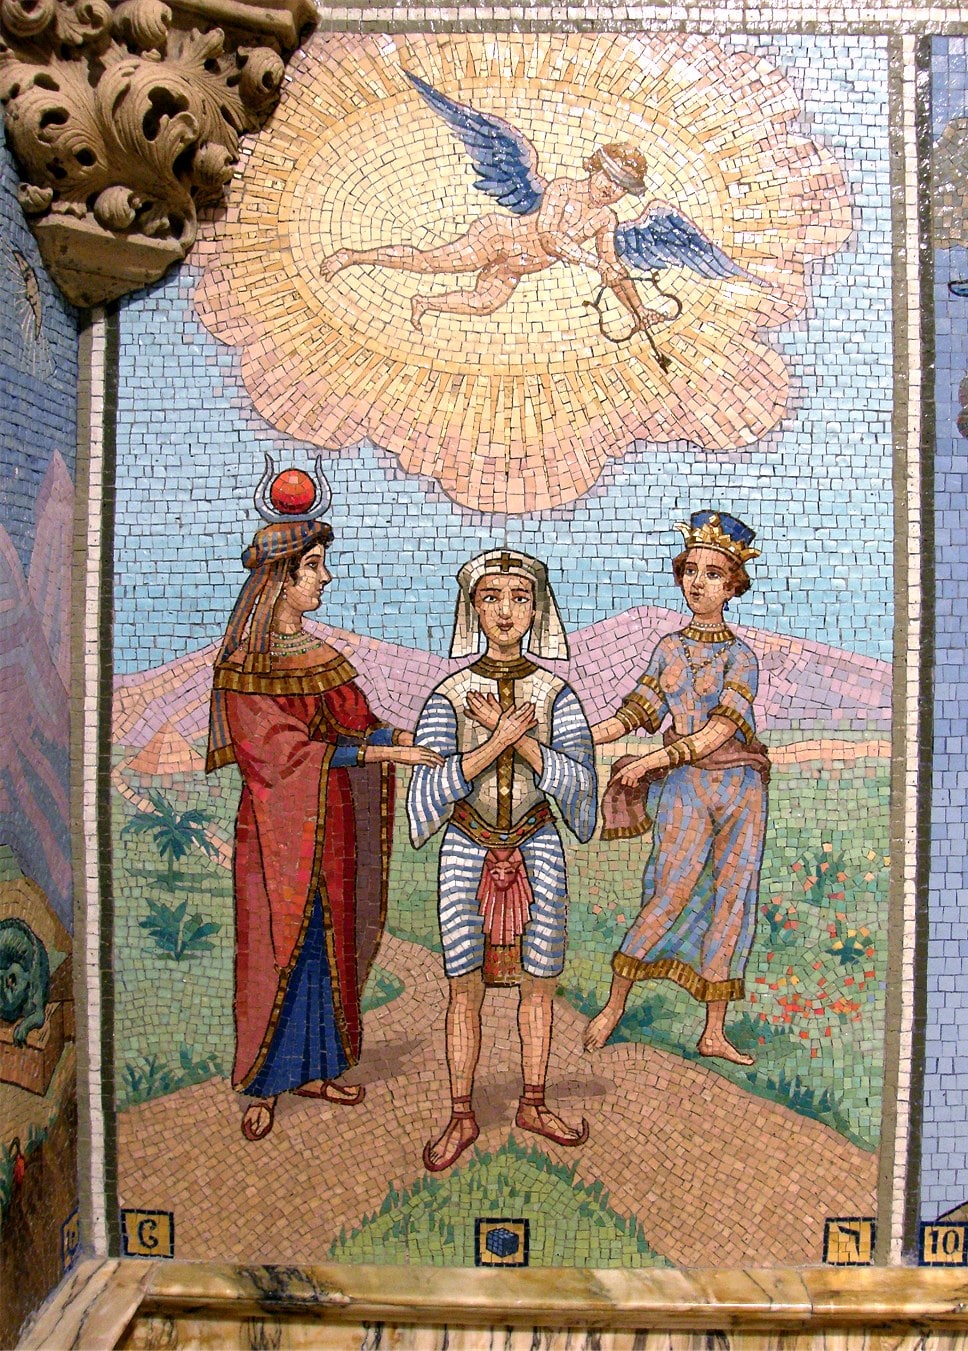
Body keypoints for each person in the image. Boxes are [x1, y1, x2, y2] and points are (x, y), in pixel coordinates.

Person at [205, 480, 442, 1142]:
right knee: (276, 950)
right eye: (313, 567)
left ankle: (317, 1067)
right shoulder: (244, 668)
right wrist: (381, 755)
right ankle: (264, 1085)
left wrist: (408, 737)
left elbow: (355, 723)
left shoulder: (322, 659)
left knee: (328, 944)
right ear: (280, 579)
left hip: (332, 826)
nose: (325, 578)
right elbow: (281, 757)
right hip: (277, 834)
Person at [407, 550, 597, 1171]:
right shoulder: (449, 695)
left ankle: (533, 1102)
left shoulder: (556, 694)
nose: (506, 611)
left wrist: (521, 740)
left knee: (539, 985)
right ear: (473, 609)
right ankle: (461, 1113)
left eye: (519, 597)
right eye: (491, 597)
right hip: (466, 846)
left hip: (538, 845)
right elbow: (428, 790)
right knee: (464, 987)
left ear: (537, 609)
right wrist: (496, 741)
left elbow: (581, 787)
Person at [583, 512, 771, 1066]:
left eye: (713, 574)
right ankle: (614, 1007)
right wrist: (576, 735)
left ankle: (713, 1031)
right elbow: (635, 714)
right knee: (668, 891)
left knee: (731, 897)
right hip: (686, 789)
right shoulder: (668, 648)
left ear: (732, 586)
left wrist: (654, 759)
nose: (698, 582)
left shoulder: (742, 657)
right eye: (691, 570)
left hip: (739, 789)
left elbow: (720, 730)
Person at [321, 140, 673, 335]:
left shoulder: (606, 219)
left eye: (621, 187)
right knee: (429, 263)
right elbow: (549, 238)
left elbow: (613, 268)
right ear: (595, 169)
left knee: (484, 303)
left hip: (516, 267)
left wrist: (638, 310)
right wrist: (594, 262)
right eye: (609, 177)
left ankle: (424, 303)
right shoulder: (563, 188)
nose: (611, 189)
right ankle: (352, 256)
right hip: (497, 239)